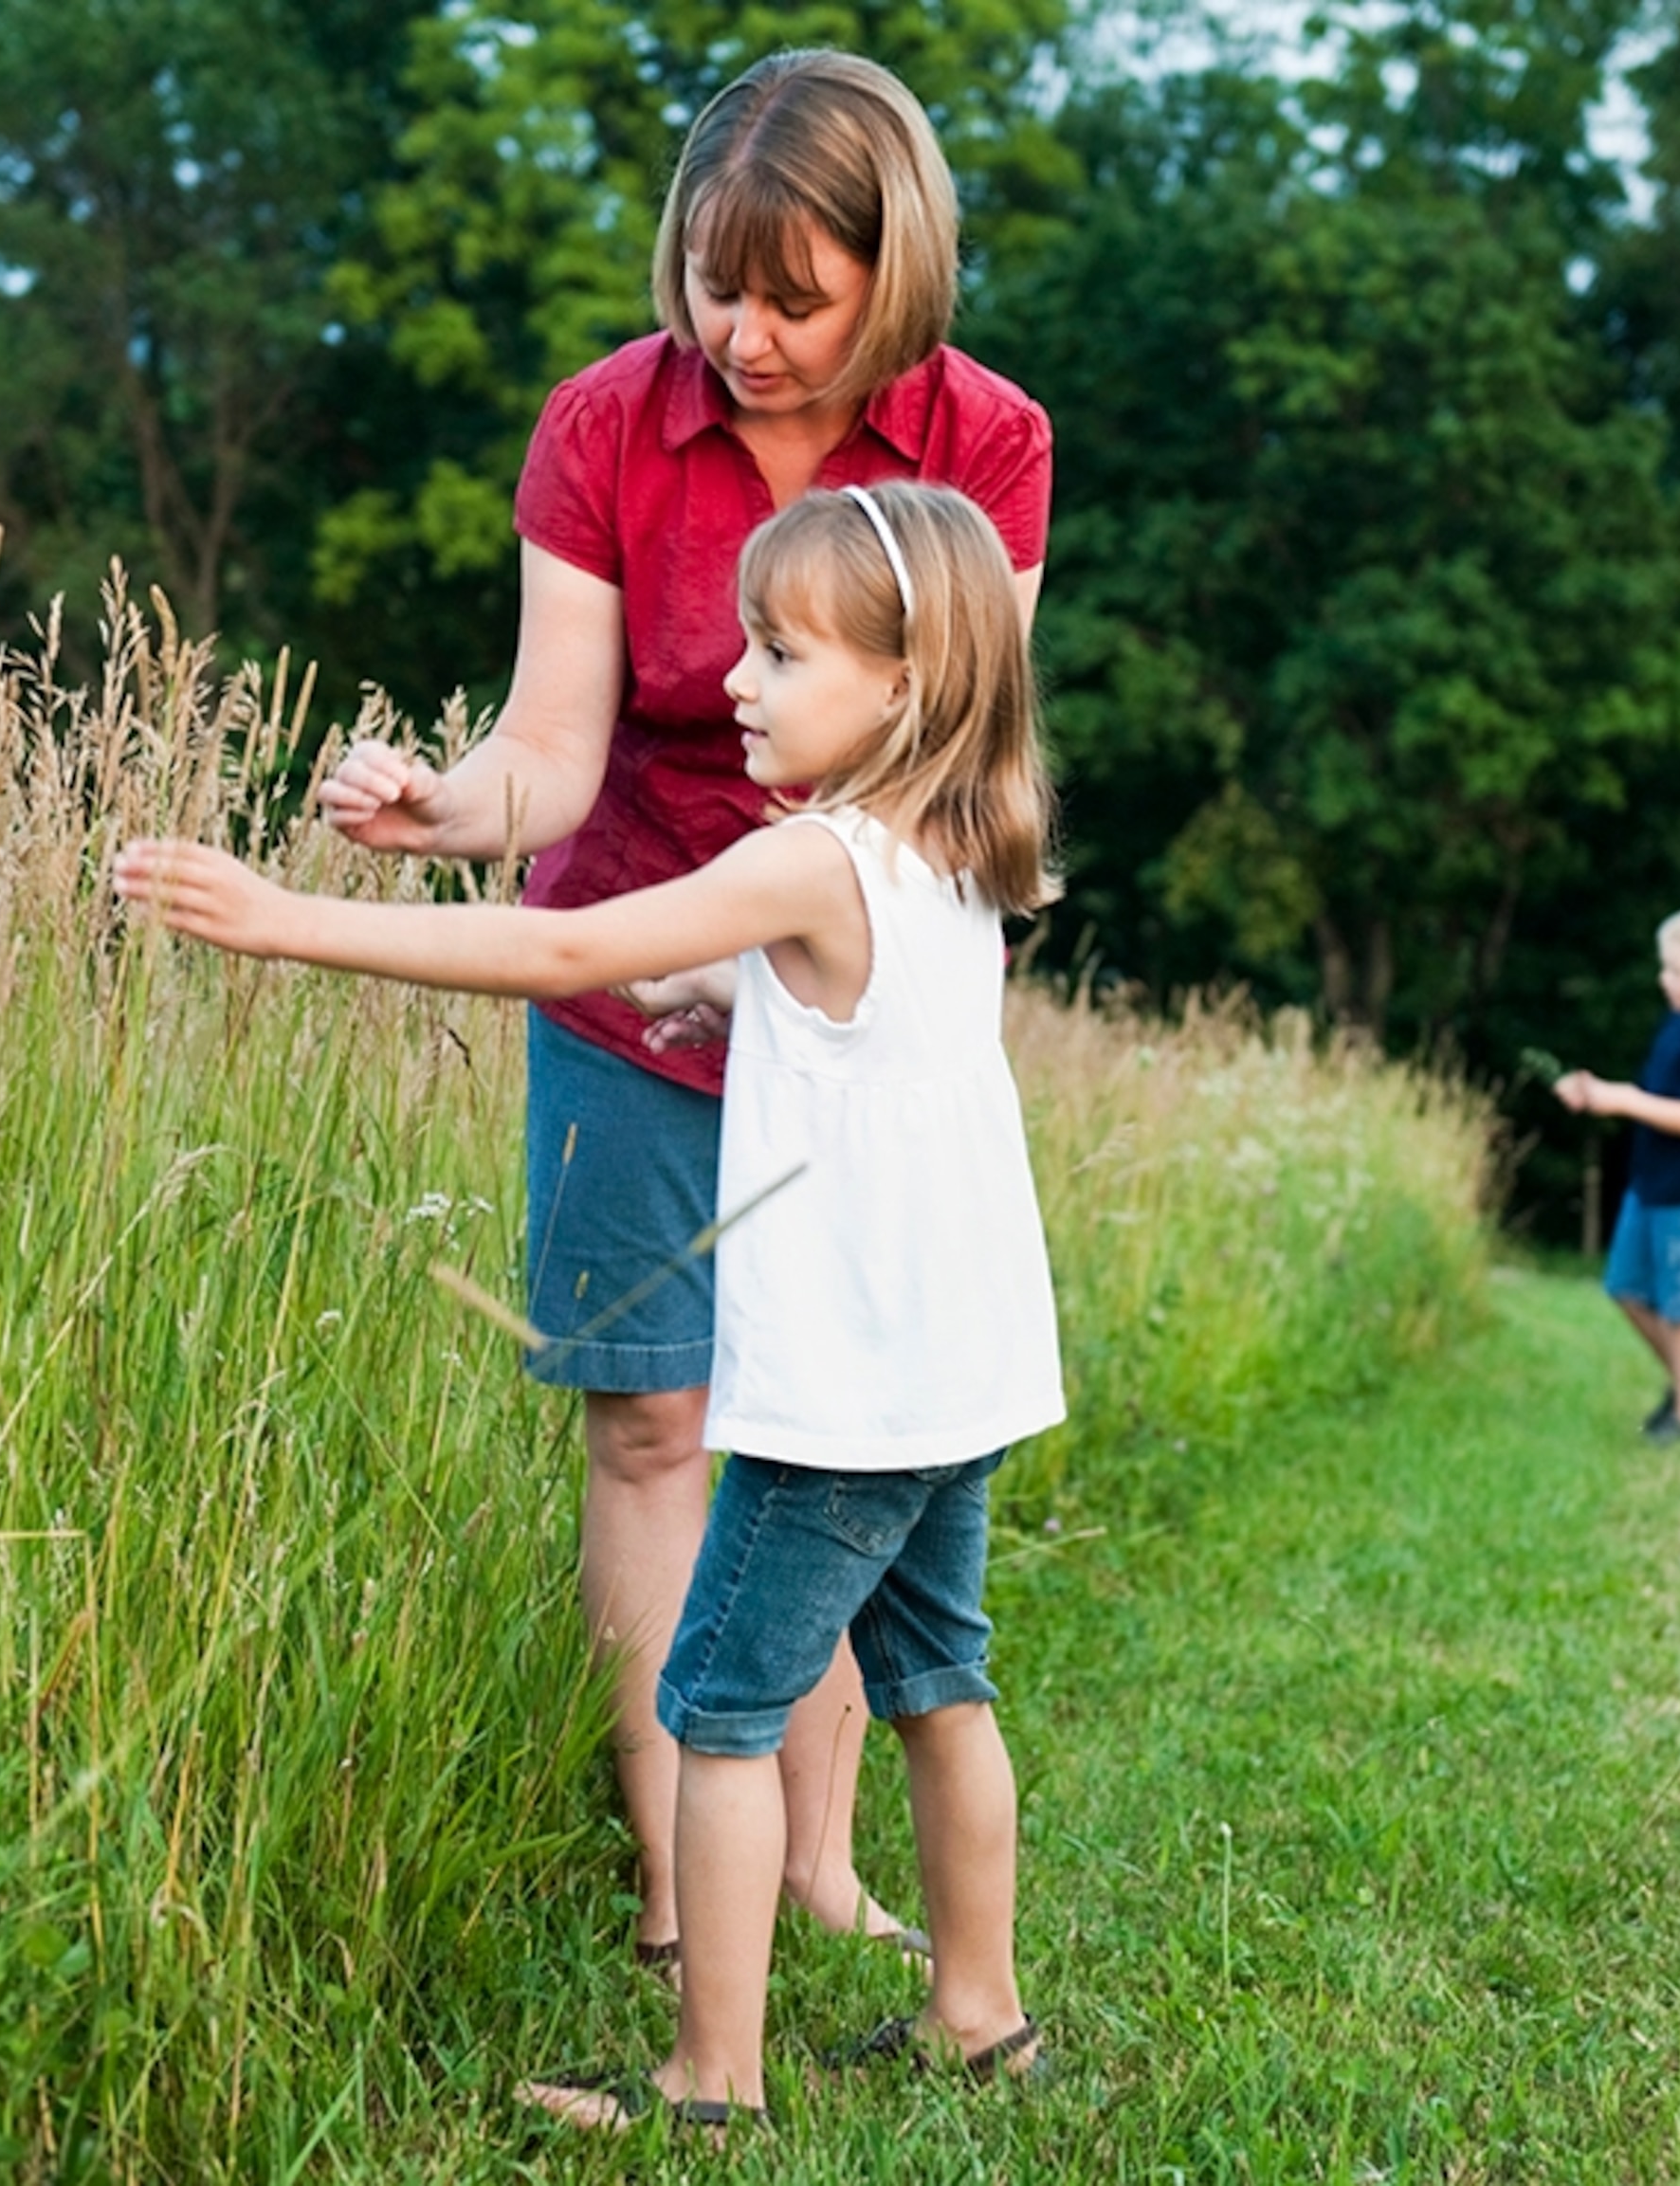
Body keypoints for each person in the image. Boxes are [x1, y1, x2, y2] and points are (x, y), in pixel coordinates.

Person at [117, 480, 1060, 2128]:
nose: (731, 682)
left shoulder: (812, 856)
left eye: (780, 652)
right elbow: (846, 1006)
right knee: (939, 1682)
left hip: (841, 1401)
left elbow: (568, 952)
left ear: (903, 683)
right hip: (959, 1380)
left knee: (716, 1710)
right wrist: (723, 999)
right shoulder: (954, 855)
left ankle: (709, 2083)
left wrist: (284, 924)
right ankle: (979, 2013)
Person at [311, 49, 1053, 1977]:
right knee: (653, 1422)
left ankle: (813, 1863)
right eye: (717, 285)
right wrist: (437, 812)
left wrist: (779, 963)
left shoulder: (988, 439)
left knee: (820, 1422)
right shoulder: (603, 426)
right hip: (622, 987)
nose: (748, 334)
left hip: (842, 1006)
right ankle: (674, 1874)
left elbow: (965, 757)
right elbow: (545, 759)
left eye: (798, 296)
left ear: (895, 276)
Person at [1554, 905, 1680, 1442]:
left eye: (1675, 969)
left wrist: (1623, 1099)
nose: (1664, 979)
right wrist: (1600, 1093)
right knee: (1626, 1287)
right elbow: (1654, 1097)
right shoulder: (1679, 1026)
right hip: (1652, 1184)